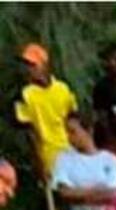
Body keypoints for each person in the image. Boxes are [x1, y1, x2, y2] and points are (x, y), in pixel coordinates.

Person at [13, 43, 77, 182]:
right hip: (47, 157)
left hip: (70, 153)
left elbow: (73, 122)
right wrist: (39, 164)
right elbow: (30, 135)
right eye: (27, 66)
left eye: (33, 65)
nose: (29, 70)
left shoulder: (63, 89)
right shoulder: (25, 95)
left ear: (44, 65)